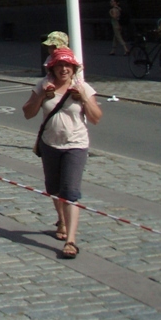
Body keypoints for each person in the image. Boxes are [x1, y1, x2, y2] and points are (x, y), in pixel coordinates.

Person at [22, 47, 102, 259]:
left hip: (76, 145)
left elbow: (96, 118)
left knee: (70, 192)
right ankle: (62, 220)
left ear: (74, 68)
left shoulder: (83, 87)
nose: (64, 69)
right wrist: (42, 97)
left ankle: (71, 241)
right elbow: (27, 113)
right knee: (54, 189)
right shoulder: (42, 85)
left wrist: (84, 98)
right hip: (50, 144)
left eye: (68, 65)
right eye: (60, 65)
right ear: (53, 68)